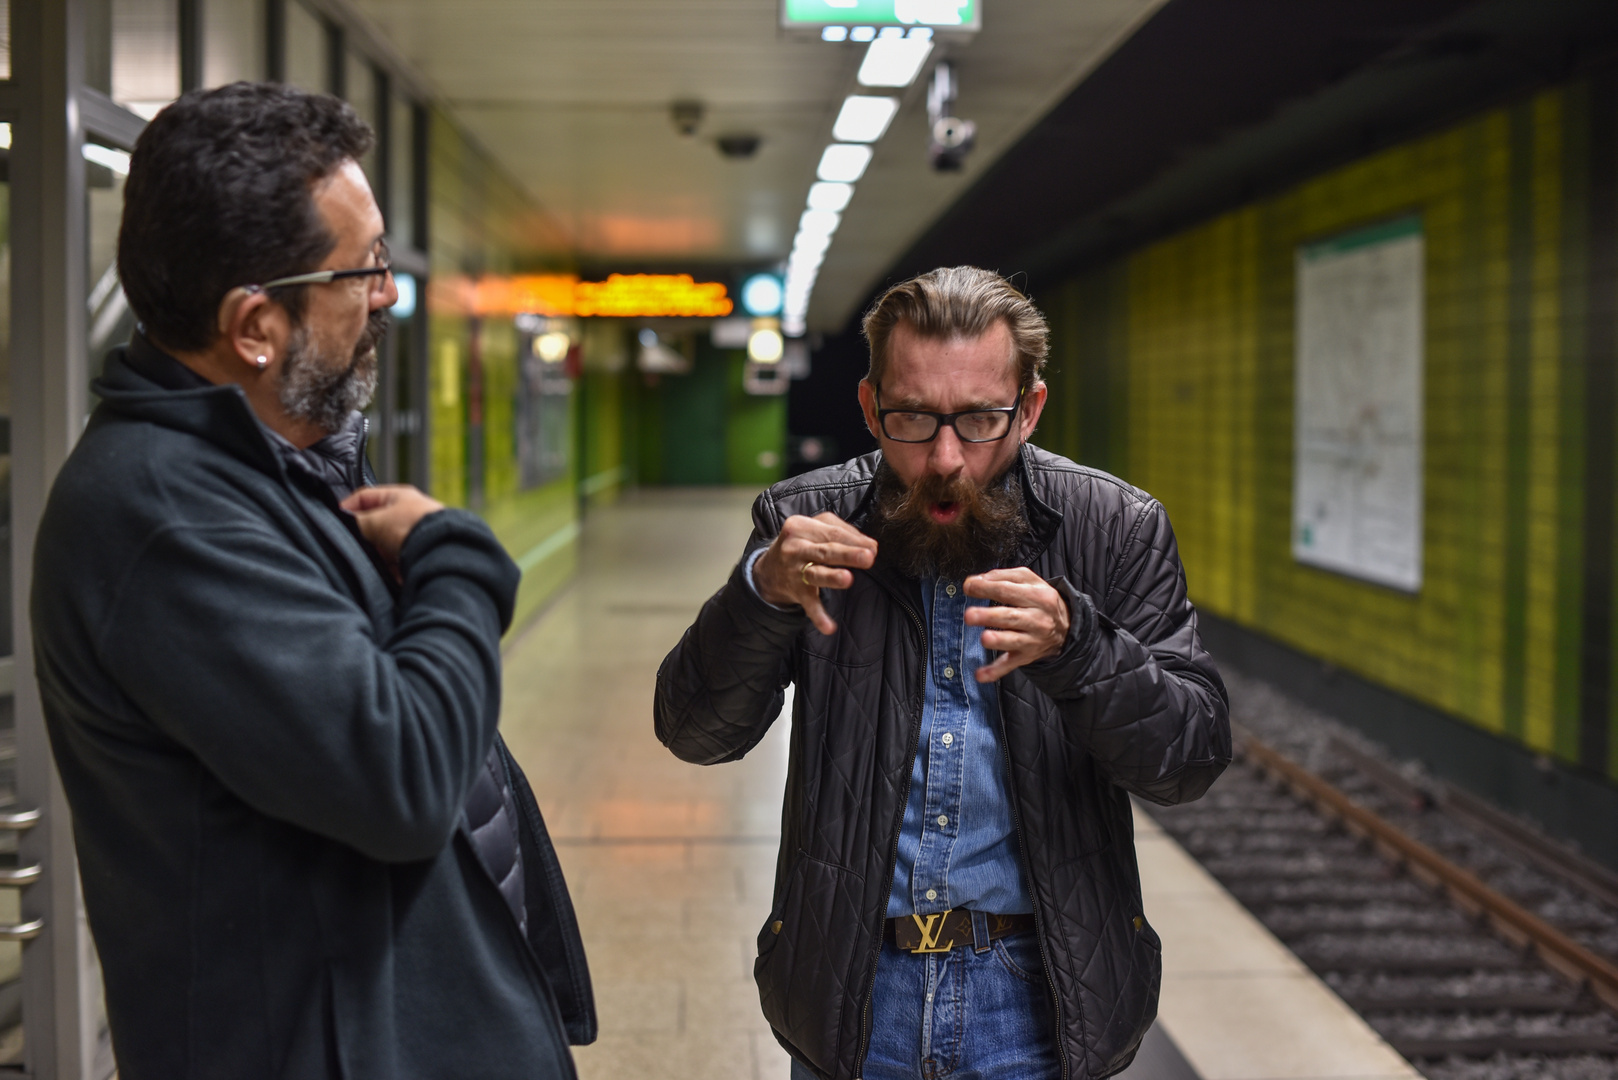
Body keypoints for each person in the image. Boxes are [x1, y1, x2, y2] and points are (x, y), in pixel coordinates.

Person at [31, 83, 593, 1080]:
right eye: (363, 268)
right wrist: (455, 561)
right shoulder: (167, 520)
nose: (386, 292)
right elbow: (403, 776)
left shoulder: (270, 463)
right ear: (256, 325)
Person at [655, 266, 1230, 1080]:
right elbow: (694, 732)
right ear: (869, 407)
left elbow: (1189, 759)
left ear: (1028, 408)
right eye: (913, 418)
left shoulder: (1113, 527)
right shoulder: (804, 524)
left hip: (1039, 996)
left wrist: (1081, 651)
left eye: (980, 420)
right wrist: (758, 596)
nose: (945, 457)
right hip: (850, 992)